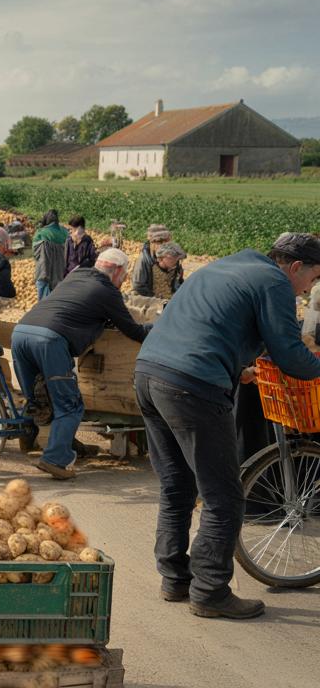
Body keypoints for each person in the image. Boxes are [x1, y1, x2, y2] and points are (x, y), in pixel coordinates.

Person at [135, 233, 320, 619]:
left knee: (177, 486)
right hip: (191, 386)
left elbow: (208, 324)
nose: (310, 288)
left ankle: (175, 579)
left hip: (149, 374)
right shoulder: (274, 282)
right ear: (296, 267)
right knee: (224, 498)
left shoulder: (227, 266)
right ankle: (211, 591)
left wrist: (238, 368)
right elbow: (291, 355)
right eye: (314, 279)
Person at [13, 248, 149, 480]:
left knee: (37, 397)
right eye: (124, 277)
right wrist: (159, 330)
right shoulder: (107, 291)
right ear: (116, 271)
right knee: (70, 404)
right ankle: (55, 460)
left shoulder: (75, 275)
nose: (123, 282)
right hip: (49, 340)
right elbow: (133, 331)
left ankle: (31, 438)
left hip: (21, 333)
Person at [32, 209, 68, 300]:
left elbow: (36, 253)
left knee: (43, 288)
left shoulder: (40, 233)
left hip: (44, 269)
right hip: (61, 270)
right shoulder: (65, 232)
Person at [131, 224, 171, 296]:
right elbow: (138, 286)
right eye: (160, 242)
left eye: (166, 241)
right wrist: (155, 297)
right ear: (151, 243)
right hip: (149, 298)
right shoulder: (143, 260)